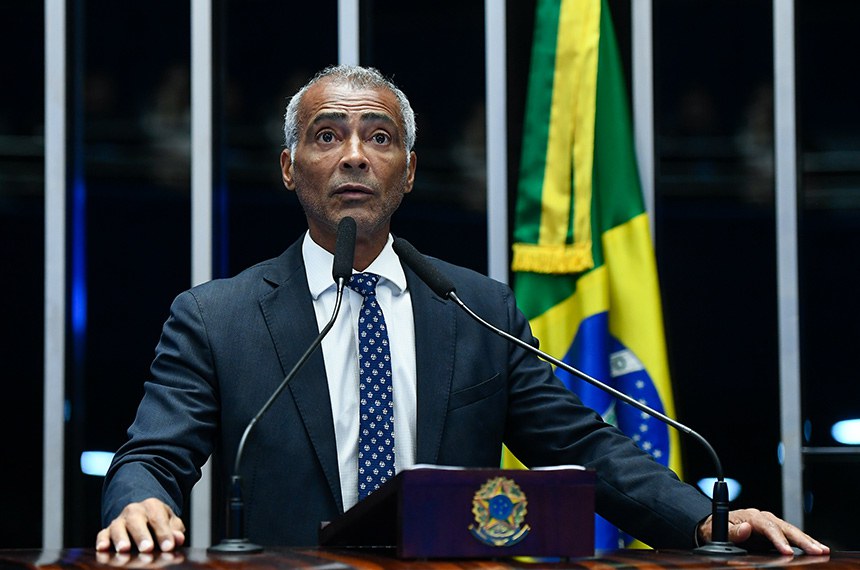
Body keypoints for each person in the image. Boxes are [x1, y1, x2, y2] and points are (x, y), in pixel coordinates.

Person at [97, 65, 828, 556]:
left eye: (379, 137)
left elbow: (585, 447)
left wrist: (705, 518)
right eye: (328, 135)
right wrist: (136, 503)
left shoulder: (475, 307)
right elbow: (153, 455)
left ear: (408, 171)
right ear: (290, 168)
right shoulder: (217, 317)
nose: (355, 155)